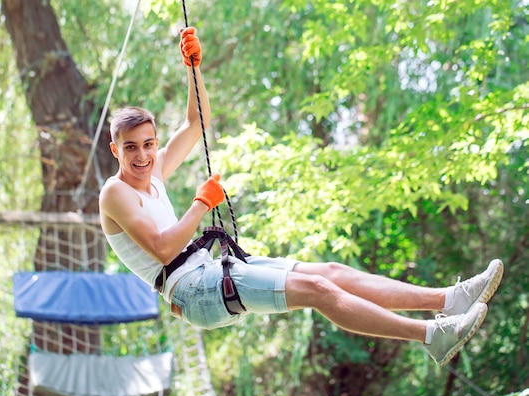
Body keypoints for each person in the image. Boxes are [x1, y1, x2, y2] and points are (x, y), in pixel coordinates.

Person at [99, 27, 504, 368]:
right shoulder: (115, 193)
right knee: (318, 290)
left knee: (331, 272)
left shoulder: (153, 174)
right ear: (116, 150)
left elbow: (196, 121)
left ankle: (451, 298)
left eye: (149, 144)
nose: (143, 155)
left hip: (209, 272)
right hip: (196, 289)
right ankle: (432, 334)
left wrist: (193, 68)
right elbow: (163, 247)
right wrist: (201, 204)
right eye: (131, 147)